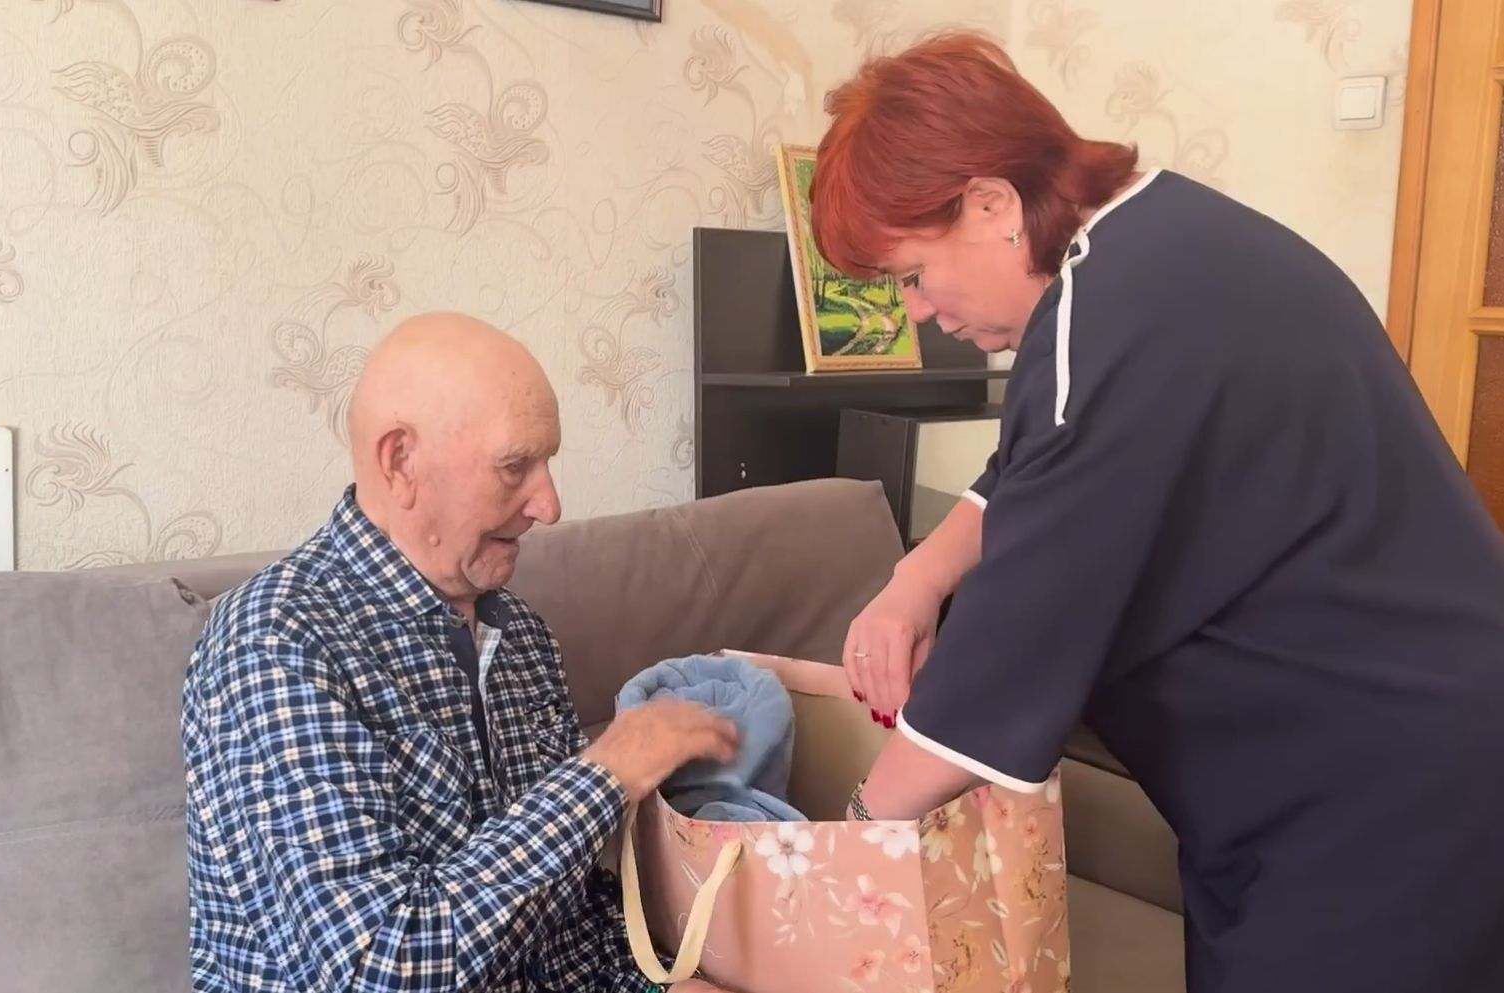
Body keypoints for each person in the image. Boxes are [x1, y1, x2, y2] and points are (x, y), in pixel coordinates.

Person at [815, 32, 1504, 993]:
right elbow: (1035, 466)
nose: (919, 313)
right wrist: (916, 575)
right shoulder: (1158, 243)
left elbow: (1000, 665)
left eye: (911, 275)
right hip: (1391, 744)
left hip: (1378, 786)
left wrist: (841, 843)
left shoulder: (1112, 324)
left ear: (990, 205)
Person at [180, 312, 735, 992]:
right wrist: (605, 774)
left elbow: (562, 912)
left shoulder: (518, 632)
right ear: (400, 462)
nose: (549, 505)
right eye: (514, 466)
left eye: (547, 463)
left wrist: (659, 982)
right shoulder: (278, 643)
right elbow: (380, 968)